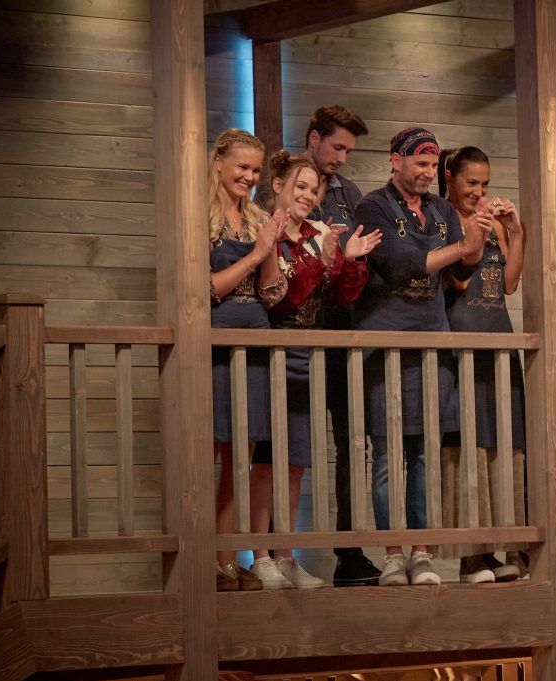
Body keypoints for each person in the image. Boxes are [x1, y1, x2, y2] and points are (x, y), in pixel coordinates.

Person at [352, 127, 491, 585]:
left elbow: (463, 268)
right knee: (387, 455)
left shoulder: (441, 209)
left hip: (433, 343)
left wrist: (479, 238)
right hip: (385, 345)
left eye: (433, 165)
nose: (429, 173)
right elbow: (400, 263)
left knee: (426, 454)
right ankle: (393, 553)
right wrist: (463, 246)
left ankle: (422, 551)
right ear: (396, 161)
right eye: (421, 164)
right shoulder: (373, 206)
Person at [256, 105, 382, 586]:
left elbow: (343, 293)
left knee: (297, 461)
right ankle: (260, 557)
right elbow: (281, 298)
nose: (310, 195)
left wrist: (348, 260)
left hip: (318, 349)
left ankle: (287, 556)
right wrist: (322, 259)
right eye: (302, 188)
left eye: (315, 191)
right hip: (275, 350)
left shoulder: (322, 225)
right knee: (266, 459)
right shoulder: (268, 228)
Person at [438, 146, 528, 583]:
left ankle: (507, 544)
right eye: (471, 182)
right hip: (462, 340)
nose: (478, 191)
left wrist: (515, 232)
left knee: (504, 445)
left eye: (485, 184)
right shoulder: (442, 218)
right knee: (468, 447)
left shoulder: (491, 222)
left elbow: (508, 284)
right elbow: (455, 282)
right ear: (450, 178)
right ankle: (471, 554)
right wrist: (472, 234)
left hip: (499, 339)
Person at [207, 129, 287, 591]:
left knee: (243, 459)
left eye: (256, 171)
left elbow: (272, 294)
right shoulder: (200, 217)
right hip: (216, 347)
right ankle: (205, 560)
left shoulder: (257, 218)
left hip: (256, 343)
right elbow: (207, 289)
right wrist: (256, 254)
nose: (250, 177)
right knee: (210, 456)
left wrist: (270, 249)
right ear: (219, 161)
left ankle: (226, 562)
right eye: (243, 167)